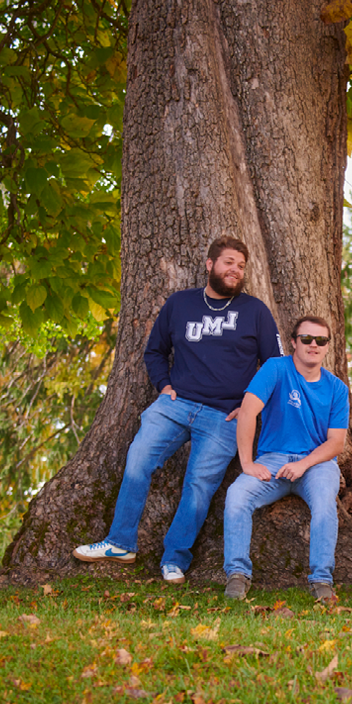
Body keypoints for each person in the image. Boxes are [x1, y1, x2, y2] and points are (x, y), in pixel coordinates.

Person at [73, 235, 282, 584]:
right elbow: (154, 351)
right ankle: (120, 542)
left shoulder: (255, 312)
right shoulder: (180, 304)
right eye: (229, 262)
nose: (235, 270)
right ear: (210, 264)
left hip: (223, 416)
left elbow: (275, 368)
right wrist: (163, 386)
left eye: (241, 266)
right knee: (138, 460)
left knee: (198, 487)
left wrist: (248, 407)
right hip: (175, 404)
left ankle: (174, 559)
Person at [223, 316, 349, 602]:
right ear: (293, 342)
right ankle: (237, 574)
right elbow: (247, 412)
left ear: (328, 347)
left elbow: (336, 443)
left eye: (321, 340)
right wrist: (247, 464)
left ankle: (321, 580)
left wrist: (303, 464)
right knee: (237, 495)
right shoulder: (276, 369)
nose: (313, 345)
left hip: (316, 464)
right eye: (306, 339)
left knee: (325, 505)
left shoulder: (337, 388)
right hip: (273, 460)